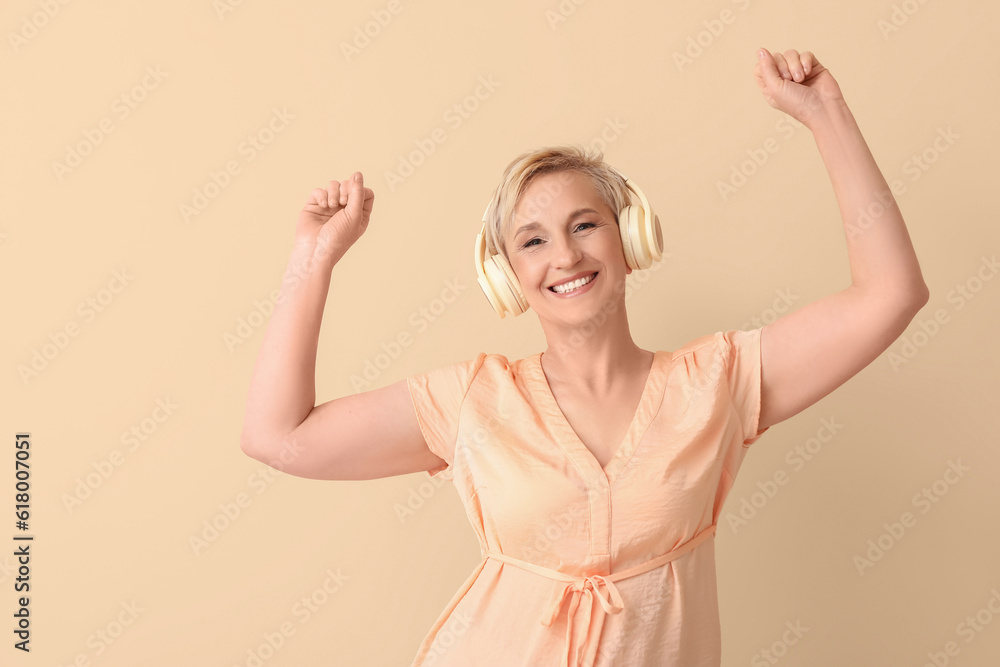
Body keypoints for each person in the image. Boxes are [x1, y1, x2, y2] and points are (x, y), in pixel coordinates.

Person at [239, 48, 929, 667]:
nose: (565, 256)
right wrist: (314, 257)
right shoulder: (471, 400)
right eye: (533, 241)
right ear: (505, 273)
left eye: (585, 225)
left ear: (631, 238)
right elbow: (277, 437)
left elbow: (891, 293)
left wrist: (826, 114)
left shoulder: (717, 383)